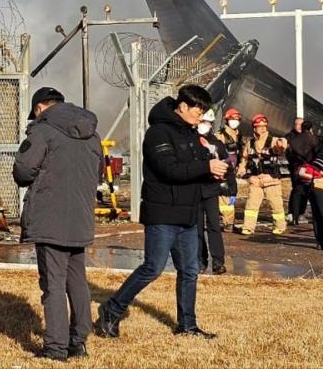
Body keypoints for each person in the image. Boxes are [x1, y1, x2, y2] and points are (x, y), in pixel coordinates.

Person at [95, 85, 228, 340]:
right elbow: (170, 169)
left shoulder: (191, 134)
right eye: (198, 111)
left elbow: (196, 168)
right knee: (152, 268)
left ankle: (187, 326)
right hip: (163, 213)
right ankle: (112, 310)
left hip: (188, 214)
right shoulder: (158, 133)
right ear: (183, 106)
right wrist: (205, 165)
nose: (201, 117)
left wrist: (215, 173)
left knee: (189, 271)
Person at [13, 87, 102, 361]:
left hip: (50, 218)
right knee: (77, 281)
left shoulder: (42, 130)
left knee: (53, 284)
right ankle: (79, 342)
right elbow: (97, 173)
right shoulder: (92, 133)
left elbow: (23, 171)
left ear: (40, 107)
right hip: (81, 218)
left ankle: (55, 348)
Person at [238, 114, 287, 235]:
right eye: (259, 127)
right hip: (256, 180)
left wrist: (282, 144)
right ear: (254, 129)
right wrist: (243, 172)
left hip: (271, 179)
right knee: (251, 204)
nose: (262, 129)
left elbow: (282, 145)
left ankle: (280, 226)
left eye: (264, 126)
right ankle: (248, 227)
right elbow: (244, 159)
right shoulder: (250, 143)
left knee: (276, 205)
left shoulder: (274, 140)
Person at [196, 109, 231, 275]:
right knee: (196, 228)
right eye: (202, 122)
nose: (204, 126)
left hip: (211, 189)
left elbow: (227, 164)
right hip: (194, 190)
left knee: (214, 226)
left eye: (207, 123)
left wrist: (230, 186)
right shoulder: (190, 141)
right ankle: (199, 261)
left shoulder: (217, 144)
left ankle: (218, 261)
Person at [214, 108, 242, 231]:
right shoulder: (220, 135)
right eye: (232, 119)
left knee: (230, 192)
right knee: (225, 193)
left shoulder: (238, 135)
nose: (235, 122)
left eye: (237, 120)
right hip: (224, 168)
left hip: (232, 168)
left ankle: (226, 221)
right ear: (227, 120)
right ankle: (227, 222)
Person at [285, 118, 317, 225]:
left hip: (308, 167)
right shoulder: (290, 137)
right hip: (296, 167)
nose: (299, 127)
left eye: (301, 125)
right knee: (297, 190)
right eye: (297, 124)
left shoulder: (309, 137)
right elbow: (289, 153)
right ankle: (293, 213)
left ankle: (300, 212)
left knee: (306, 190)